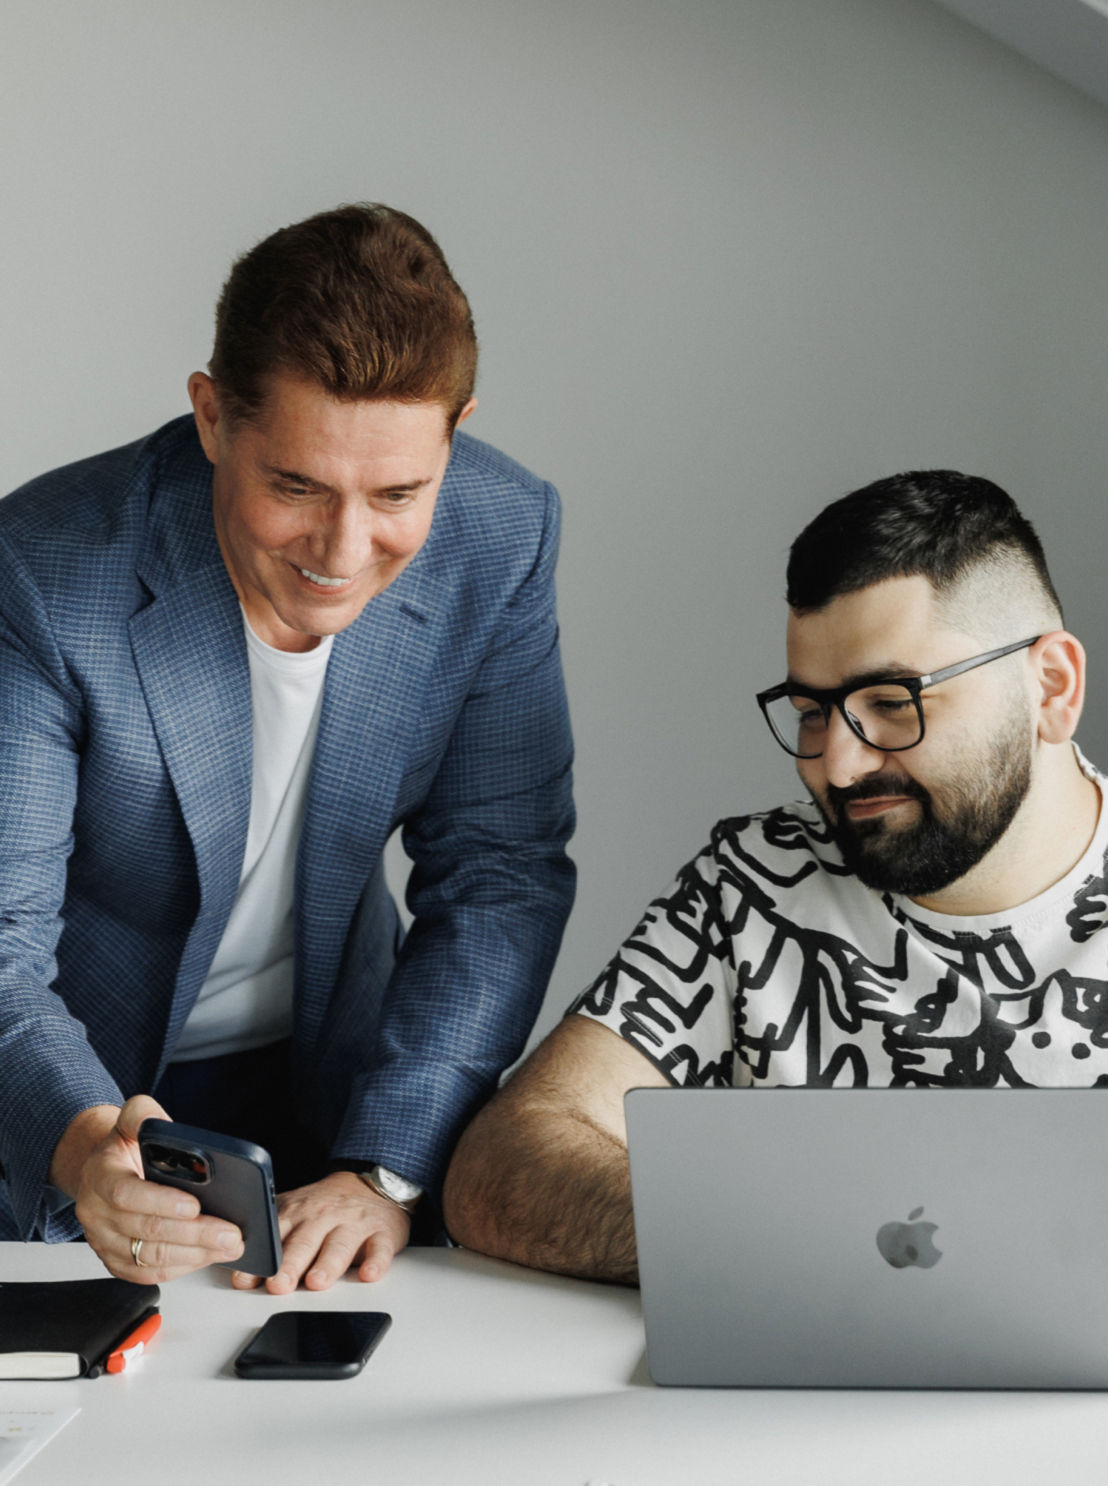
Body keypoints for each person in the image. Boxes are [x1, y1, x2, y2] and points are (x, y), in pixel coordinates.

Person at [0, 203, 575, 1292]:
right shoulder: (41, 568)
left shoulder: (502, 535)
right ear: (213, 417)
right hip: (66, 1081)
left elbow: (499, 874)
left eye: (398, 493)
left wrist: (388, 1166)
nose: (344, 553)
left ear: (455, 434)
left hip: (334, 1075)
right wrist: (82, 1151)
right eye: (296, 486)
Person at [443, 470, 1104, 1284]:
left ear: (1051, 688)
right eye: (813, 712)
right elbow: (501, 1165)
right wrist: (811, 1256)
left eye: (893, 701)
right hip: (794, 1368)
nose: (839, 765)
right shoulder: (755, 881)